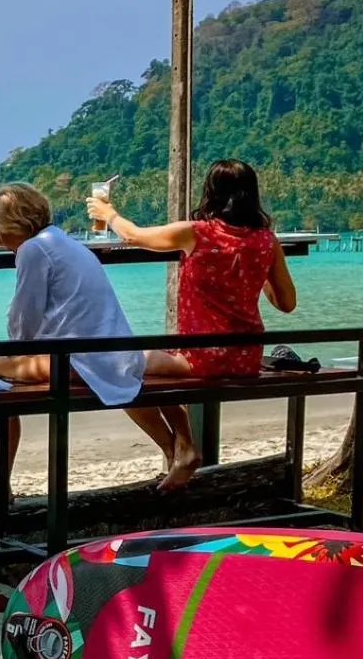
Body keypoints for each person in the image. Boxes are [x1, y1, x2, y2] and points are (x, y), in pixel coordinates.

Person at [0, 183, 177, 500]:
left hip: (80, 361)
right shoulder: (64, 242)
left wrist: (16, 339)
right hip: (111, 355)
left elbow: (23, 327)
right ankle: (175, 451)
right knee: (2, 371)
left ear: (16, 226)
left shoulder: (32, 250)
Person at [87, 158, 297, 490]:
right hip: (246, 358)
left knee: (118, 367)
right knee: (144, 365)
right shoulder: (267, 242)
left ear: (210, 193)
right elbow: (287, 304)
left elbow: (135, 236)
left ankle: (180, 446)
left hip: (201, 358)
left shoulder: (196, 233)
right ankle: (182, 449)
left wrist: (107, 213)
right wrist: (258, 273)